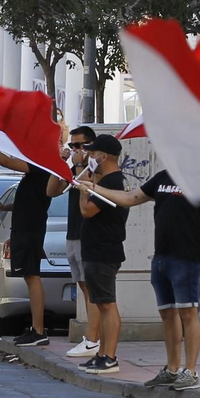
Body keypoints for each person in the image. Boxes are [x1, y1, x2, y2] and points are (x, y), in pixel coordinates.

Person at [93, 166, 200, 390]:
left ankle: (191, 371)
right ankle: (172, 368)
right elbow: (130, 197)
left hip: (187, 258)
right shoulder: (163, 177)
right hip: (161, 258)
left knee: (189, 312)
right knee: (167, 313)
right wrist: (96, 188)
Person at [0, 145, 63, 349]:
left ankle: (38, 330)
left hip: (30, 229)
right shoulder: (37, 173)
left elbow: (6, 162)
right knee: (29, 276)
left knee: (32, 276)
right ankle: (35, 328)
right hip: (24, 228)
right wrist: (4, 207)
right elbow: (30, 200)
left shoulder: (41, 166)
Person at [73, 135, 130, 375]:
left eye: (93, 153)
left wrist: (84, 188)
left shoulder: (113, 183)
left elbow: (87, 210)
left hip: (104, 251)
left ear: (104, 156)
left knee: (107, 304)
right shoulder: (105, 181)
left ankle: (109, 356)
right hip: (96, 250)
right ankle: (101, 354)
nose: (89, 157)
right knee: (102, 302)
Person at [56, 126, 99, 358]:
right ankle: (92, 337)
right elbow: (53, 191)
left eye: (79, 146)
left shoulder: (95, 169)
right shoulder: (73, 168)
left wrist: (81, 165)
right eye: (72, 146)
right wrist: (61, 164)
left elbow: (90, 188)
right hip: (72, 232)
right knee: (82, 287)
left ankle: (94, 339)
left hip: (87, 235)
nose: (75, 150)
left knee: (92, 289)